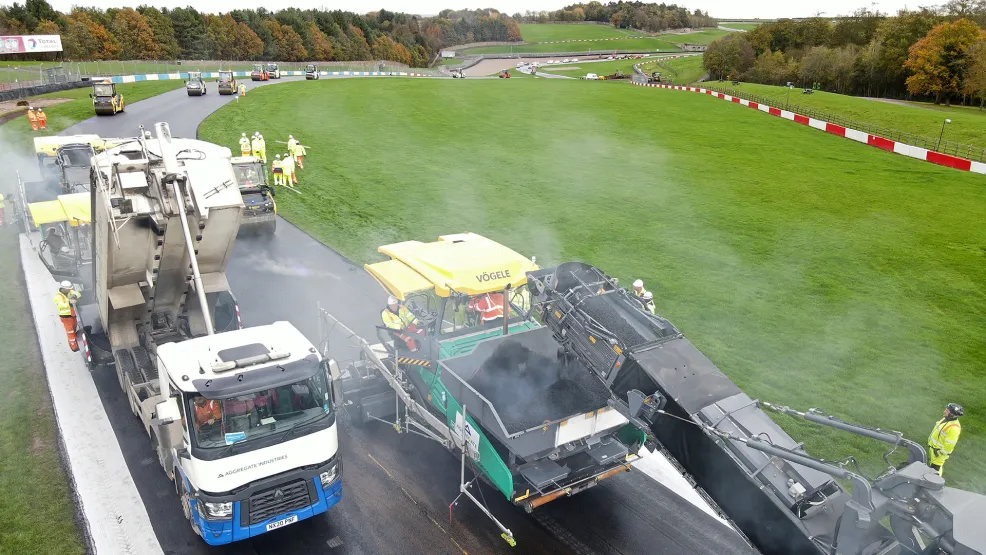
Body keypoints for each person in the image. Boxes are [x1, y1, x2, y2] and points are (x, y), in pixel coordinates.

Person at [928, 403, 963, 476]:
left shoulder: (954, 428)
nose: (944, 411)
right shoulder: (946, 419)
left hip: (938, 453)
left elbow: (950, 444)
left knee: (935, 470)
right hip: (934, 450)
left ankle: (935, 484)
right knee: (932, 467)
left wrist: (940, 453)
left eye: (947, 411)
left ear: (952, 414)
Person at [54, 281, 82, 351]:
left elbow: (78, 293)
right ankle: (74, 347)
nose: (70, 290)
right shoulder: (58, 296)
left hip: (72, 315)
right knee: (70, 333)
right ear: (63, 288)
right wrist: (69, 302)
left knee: (74, 330)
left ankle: (75, 344)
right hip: (66, 317)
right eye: (68, 289)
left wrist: (74, 296)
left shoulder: (70, 292)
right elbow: (61, 306)